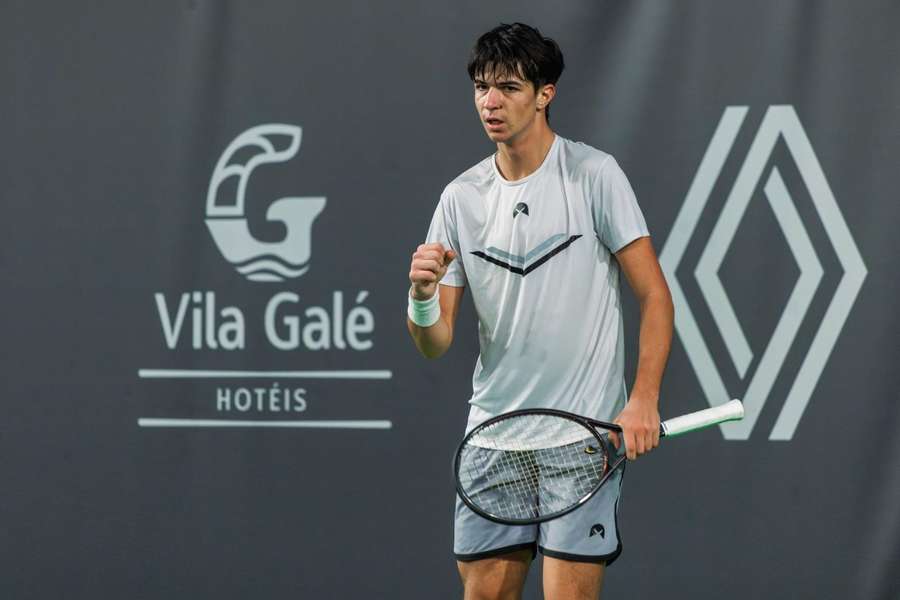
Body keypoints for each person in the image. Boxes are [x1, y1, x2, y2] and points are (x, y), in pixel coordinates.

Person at [406, 22, 674, 600]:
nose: (490, 102)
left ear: (545, 94)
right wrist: (422, 299)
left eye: (507, 87)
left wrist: (644, 397)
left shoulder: (594, 176)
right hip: (493, 438)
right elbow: (435, 341)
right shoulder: (460, 198)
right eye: (481, 87)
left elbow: (654, 295)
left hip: (581, 442)